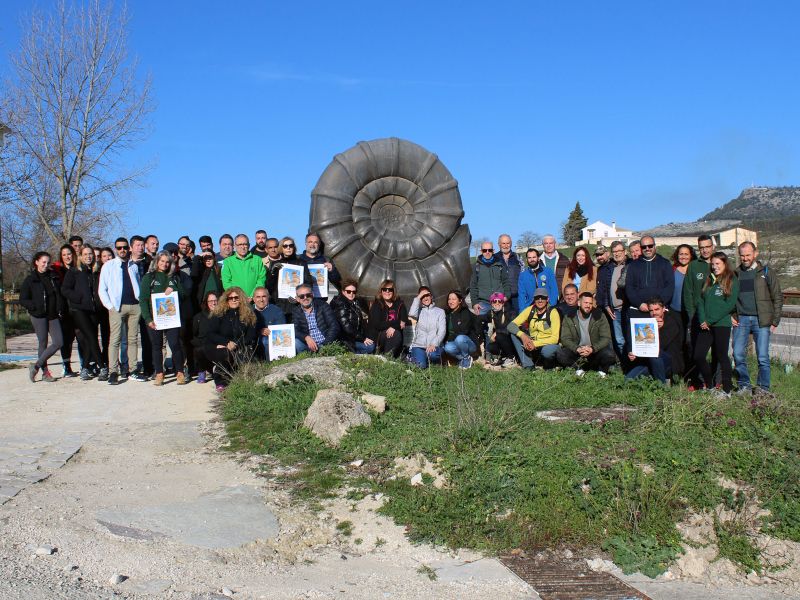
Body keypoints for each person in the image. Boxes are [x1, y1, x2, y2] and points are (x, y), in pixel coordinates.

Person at [732, 242, 782, 395]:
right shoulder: (735, 273)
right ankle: (744, 386)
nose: (745, 258)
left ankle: (763, 388)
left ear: (755, 253)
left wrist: (775, 320)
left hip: (761, 320)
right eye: (742, 255)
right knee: (738, 353)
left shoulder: (766, 272)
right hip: (741, 320)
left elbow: (777, 297)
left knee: (762, 357)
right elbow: (730, 297)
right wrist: (731, 315)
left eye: (748, 255)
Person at [99, 237, 145, 385]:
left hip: (134, 306)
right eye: (119, 248)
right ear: (115, 249)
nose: (122, 250)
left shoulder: (133, 265)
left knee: (132, 340)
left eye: (125, 247)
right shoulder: (109, 266)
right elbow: (102, 289)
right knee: (115, 340)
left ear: (129, 248)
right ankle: (113, 371)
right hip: (117, 307)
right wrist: (110, 306)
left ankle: (132, 370)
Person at [693, 252, 739, 396]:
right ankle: (710, 386)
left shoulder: (731, 279)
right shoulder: (709, 279)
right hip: (705, 325)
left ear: (725, 264)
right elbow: (700, 301)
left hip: (721, 324)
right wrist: (702, 319)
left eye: (717, 264)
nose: (714, 267)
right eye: (712, 264)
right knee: (699, 356)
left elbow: (729, 304)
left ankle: (727, 389)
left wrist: (710, 320)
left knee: (721, 356)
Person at [139, 251, 187, 386]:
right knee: (156, 346)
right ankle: (159, 373)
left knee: (175, 344)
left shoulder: (174, 277)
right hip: (155, 320)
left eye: (167, 262)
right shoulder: (149, 277)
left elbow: (183, 295)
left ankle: (180, 372)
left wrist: (174, 289)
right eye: (162, 261)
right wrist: (148, 319)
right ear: (156, 261)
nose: (164, 264)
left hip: (171, 318)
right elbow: (143, 299)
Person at [61, 245, 108, 381]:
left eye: (90, 254)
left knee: (89, 340)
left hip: (94, 310)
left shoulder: (96, 271)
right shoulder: (75, 271)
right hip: (79, 310)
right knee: (92, 337)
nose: (88, 256)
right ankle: (102, 366)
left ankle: (85, 368)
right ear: (80, 256)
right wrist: (78, 298)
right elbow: (65, 289)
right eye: (85, 254)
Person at [21, 252, 63, 383]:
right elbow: (23, 299)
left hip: (53, 315)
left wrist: (60, 307)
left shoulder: (53, 277)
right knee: (43, 343)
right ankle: (45, 373)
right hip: (38, 315)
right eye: (43, 262)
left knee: (58, 342)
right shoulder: (30, 279)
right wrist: (33, 306)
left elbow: (58, 295)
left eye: (48, 262)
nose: (46, 265)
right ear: (36, 262)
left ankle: (36, 366)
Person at [205, 287, 257, 391]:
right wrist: (225, 342)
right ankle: (219, 381)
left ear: (241, 298)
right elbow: (211, 334)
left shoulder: (249, 314)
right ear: (226, 299)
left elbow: (251, 335)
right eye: (230, 298)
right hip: (219, 346)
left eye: (236, 297)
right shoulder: (218, 314)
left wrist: (236, 344)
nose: (233, 300)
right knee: (225, 353)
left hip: (240, 347)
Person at [682, 234, 716, 388]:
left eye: (707, 247)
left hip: (717, 316)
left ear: (713, 246)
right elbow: (688, 291)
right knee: (696, 351)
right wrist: (691, 314)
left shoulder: (720, 263)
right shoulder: (694, 266)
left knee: (718, 350)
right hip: (697, 316)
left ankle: (717, 381)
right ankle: (697, 380)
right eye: (701, 247)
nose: (705, 250)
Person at [557, 291, 616, 377]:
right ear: (579, 303)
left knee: (609, 354)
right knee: (561, 354)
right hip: (577, 352)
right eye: (585, 303)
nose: (588, 305)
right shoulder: (569, 316)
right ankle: (578, 369)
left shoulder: (600, 316)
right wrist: (577, 348)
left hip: (594, 352)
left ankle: (601, 371)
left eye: (590, 303)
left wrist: (593, 348)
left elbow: (606, 338)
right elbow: (565, 338)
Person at [626, 298, 684, 384]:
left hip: (669, 362)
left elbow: (660, 345)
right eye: (651, 310)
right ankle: (653, 377)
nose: (654, 313)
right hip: (649, 361)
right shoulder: (647, 322)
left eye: (657, 309)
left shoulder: (672, 322)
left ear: (663, 309)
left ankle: (661, 386)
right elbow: (634, 339)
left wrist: (657, 329)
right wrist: (631, 352)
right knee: (628, 380)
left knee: (654, 353)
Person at [508, 288, 560, 369]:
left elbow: (555, 339)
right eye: (537, 298)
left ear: (547, 299)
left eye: (542, 297)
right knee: (514, 334)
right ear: (534, 299)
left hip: (547, 344)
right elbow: (510, 325)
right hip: (531, 342)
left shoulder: (553, 312)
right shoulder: (530, 310)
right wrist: (523, 336)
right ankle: (528, 365)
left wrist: (535, 344)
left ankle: (549, 365)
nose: (540, 300)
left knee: (547, 351)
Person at [625, 235, 674, 320]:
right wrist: (639, 303)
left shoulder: (665, 264)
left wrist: (658, 305)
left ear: (655, 246)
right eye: (644, 247)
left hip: (659, 311)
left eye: (650, 246)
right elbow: (629, 287)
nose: (647, 249)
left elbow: (669, 286)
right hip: (638, 310)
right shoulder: (633, 265)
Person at [596, 241, 631, 357]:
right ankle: (624, 364)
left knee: (630, 338)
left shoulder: (630, 265)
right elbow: (606, 288)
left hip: (627, 308)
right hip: (614, 309)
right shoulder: (611, 268)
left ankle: (634, 366)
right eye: (614, 252)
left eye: (619, 251)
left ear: (625, 252)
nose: (617, 254)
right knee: (619, 339)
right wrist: (607, 305)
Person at [268, 236, 314, 322]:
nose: (288, 248)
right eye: (285, 246)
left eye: (291, 245)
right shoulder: (276, 264)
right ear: (281, 248)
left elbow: (308, 284)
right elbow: (269, 287)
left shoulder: (301, 263)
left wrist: (299, 296)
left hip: (296, 306)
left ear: (294, 247)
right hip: (279, 305)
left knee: (297, 332)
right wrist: (272, 273)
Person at [51, 244, 79, 377]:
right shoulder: (56, 271)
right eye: (64, 255)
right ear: (61, 257)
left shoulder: (78, 268)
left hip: (78, 308)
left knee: (81, 337)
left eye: (69, 254)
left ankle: (87, 365)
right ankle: (66, 366)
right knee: (66, 340)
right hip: (64, 310)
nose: (67, 257)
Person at [292, 283, 341, 354]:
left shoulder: (323, 305)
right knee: (296, 343)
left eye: (308, 295)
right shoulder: (296, 311)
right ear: (297, 299)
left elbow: (334, 326)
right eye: (302, 296)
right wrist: (306, 337)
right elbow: (295, 330)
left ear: (312, 295)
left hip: (325, 342)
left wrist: (325, 344)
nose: (305, 298)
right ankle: (305, 358)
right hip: (308, 344)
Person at [330, 279, 374, 354]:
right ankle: (353, 356)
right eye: (348, 291)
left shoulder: (355, 302)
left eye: (354, 292)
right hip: (345, 339)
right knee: (370, 347)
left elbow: (364, 318)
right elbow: (346, 326)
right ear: (343, 291)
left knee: (371, 343)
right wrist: (363, 339)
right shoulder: (341, 304)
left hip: (353, 337)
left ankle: (354, 355)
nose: (351, 294)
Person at [367, 279, 408, 358]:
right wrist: (396, 324)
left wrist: (394, 327)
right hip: (379, 336)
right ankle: (387, 357)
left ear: (393, 291)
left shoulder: (400, 304)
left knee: (395, 333)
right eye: (384, 289)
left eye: (390, 290)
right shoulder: (376, 305)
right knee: (395, 334)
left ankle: (388, 357)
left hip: (395, 336)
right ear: (381, 291)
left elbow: (403, 322)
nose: (387, 292)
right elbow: (378, 324)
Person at [407, 285, 445, 368]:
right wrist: (418, 296)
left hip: (434, 346)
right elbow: (411, 313)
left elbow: (442, 331)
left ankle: (432, 361)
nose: (425, 298)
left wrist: (434, 344)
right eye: (422, 297)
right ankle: (416, 358)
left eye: (427, 295)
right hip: (419, 345)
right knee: (420, 366)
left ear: (431, 296)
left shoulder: (440, 312)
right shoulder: (419, 311)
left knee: (433, 355)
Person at [443, 290, 482, 369]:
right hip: (456, 343)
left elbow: (464, 331)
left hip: (469, 344)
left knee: (460, 338)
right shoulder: (447, 314)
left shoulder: (465, 312)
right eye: (449, 299)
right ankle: (464, 358)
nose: (450, 301)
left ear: (460, 300)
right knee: (447, 347)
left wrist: (449, 339)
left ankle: (467, 357)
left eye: (454, 299)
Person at [470, 240, 510, 317]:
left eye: (490, 250)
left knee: (501, 326)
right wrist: (474, 303)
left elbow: (506, 282)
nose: (487, 252)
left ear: (493, 251)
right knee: (481, 326)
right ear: (481, 251)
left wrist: (507, 296)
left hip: (499, 301)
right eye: (485, 250)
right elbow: (473, 286)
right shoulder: (475, 266)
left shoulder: (500, 265)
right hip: (483, 303)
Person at [484, 292, 518, 367]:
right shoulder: (490, 313)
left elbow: (512, 328)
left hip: (512, 341)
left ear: (503, 303)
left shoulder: (510, 311)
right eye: (494, 301)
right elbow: (481, 321)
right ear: (491, 303)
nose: (497, 303)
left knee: (499, 336)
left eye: (500, 301)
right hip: (502, 341)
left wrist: (497, 332)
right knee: (490, 347)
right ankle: (503, 357)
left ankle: (511, 357)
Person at [252, 286, 286, 360]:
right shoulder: (248, 311)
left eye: (264, 296)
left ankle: (270, 364)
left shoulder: (277, 310)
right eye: (258, 297)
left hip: (271, 340)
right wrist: (259, 331)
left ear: (268, 298)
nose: (261, 300)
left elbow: (281, 329)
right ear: (253, 299)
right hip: (253, 340)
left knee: (266, 341)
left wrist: (270, 332)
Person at [192, 291, 218, 384]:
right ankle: (202, 371)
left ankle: (216, 372)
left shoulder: (223, 315)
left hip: (218, 345)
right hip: (203, 345)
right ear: (206, 303)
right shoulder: (198, 317)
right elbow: (193, 334)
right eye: (210, 301)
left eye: (215, 300)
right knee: (198, 350)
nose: (213, 303)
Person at [495, 234, 523, 311]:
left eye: (508, 243)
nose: (506, 245)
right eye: (503, 243)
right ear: (499, 244)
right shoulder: (494, 258)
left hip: (516, 295)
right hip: (500, 296)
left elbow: (523, 274)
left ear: (511, 243)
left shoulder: (518, 257)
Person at [670, 244, 696, 314]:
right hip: (674, 311)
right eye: (681, 254)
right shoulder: (672, 270)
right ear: (677, 255)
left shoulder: (696, 271)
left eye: (686, 254)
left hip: (693, 312)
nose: (683, 257)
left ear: (691, 255)